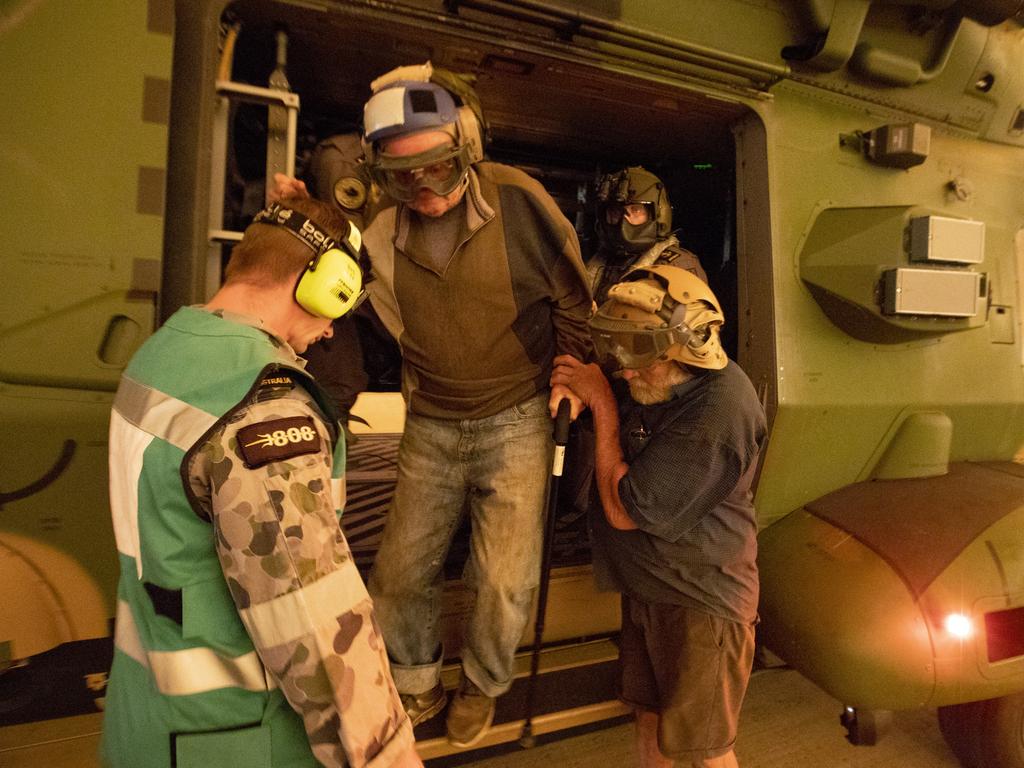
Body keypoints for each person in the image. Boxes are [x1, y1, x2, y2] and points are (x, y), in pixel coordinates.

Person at [276, 61, 593, 747]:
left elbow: (573, 300)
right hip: (431, 422)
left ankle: (482, 687)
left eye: (439, 170)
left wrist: (574, 371)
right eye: (402, 177)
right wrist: (297, 213)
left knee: (504, 581)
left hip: (518, 419)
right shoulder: (377, 218)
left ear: (468, 151)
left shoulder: (520, 201)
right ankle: (418, 687)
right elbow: (329, 274)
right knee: (397, 575)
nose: (423, 190)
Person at [101, 196, 422, 768]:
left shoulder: (162, 351)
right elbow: (315, 622)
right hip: (236, 735)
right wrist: (388, 757)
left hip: (145, 714)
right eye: (340, 305)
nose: (330, 331)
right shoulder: (266, 412)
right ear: (320, 283)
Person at [549, 264, 766, 768]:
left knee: (706, 751)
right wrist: (581, 387)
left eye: (636, 361)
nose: (624, 373)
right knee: (651, 722)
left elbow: (625, 510)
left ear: (682, 349)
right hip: (653, 590)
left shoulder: (719, 411)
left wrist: (600, 403)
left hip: (700, 603)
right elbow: (611, 375)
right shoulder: (658, 373)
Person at [589, 166, 707, 304]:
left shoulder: (678, 265)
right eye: (615, 212)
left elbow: (693, 323)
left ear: (658, 214)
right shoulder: (602, 261)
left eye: (636, 210)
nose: (623, 223)